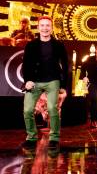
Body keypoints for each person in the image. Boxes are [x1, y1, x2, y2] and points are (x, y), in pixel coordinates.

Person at [22, 16, 68, 149]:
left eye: (48, 25)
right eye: (42, 25)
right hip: (34, 81)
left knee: (53, 108)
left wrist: (64, 85)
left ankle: (54, 138)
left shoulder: (59, 45)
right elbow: (26, 64)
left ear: (52, 28)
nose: (45, 28)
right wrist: (27, 81)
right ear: (38, 27)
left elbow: (65, 65)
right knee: (27, 110)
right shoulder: (31, 45)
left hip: (53, 80)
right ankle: (31, 137)